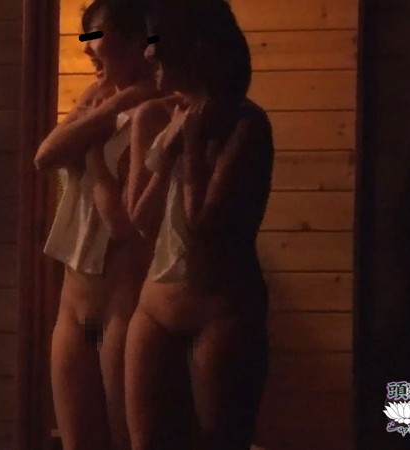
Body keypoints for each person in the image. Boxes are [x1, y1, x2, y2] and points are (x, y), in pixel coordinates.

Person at [124, 1, 275, 449]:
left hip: (220, 310)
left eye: (158, 41)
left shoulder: (246, 125)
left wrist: (190, 146)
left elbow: (203, 226)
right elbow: (139, 219)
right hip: (154, 308)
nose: (148, 53)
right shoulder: (155, 116)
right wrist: (168, 151)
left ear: (194, 48)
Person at [33, 1, 160, 449]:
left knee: (128, 440)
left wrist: (92, 147)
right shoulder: (98, 98)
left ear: (137, 41)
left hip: (122, 307)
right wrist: (110, 106)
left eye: (96, 36)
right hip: (73, 305)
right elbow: (45, 157)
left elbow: (124, 223)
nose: (87, 48)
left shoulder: (157, 110)